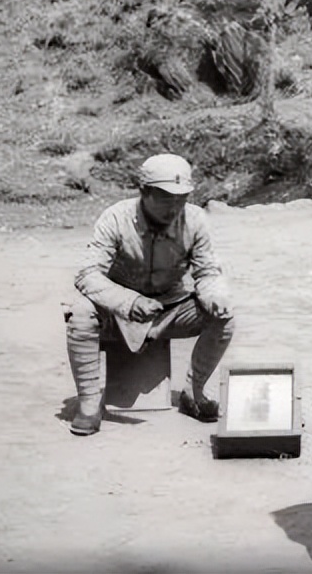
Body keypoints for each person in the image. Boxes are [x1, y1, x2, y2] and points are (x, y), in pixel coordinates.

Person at [64, 153, 235, 437]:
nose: (175, 206)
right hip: (117, 311)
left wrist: (213, 295)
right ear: (144, 192)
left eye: (182, 198)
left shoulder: (194, 220)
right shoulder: (116, 218)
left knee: (224, 318)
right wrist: (128, 302)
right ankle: (90, 404)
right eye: (166, 198)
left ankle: (194, 394)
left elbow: (208, 272)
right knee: (80, 314)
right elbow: (87, 274)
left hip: (169, 308)